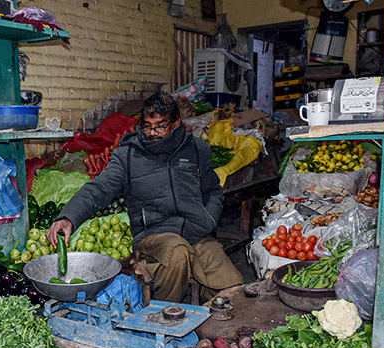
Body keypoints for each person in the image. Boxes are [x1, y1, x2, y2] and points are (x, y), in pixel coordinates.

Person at [47, 91, 243, 303]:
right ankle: (165, 320)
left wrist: (209, 219)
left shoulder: (196, 149)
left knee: (233, 287)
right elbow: (99, 188)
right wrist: (68, 217)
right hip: (154, 237)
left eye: (160, 126)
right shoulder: (128, 156)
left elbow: (213, 189)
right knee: (176, 252)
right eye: (147, 126)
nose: (152, 133)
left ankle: (214, 327)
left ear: (176, 123)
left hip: (196, 232)